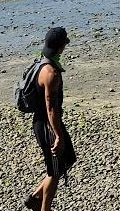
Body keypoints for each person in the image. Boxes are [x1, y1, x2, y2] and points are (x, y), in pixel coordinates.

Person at [24, 26, 76, 211]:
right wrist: (58, 135)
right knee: (54, 170)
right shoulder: (51, 73)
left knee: (68, 159)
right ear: (61, 47)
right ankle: (44, 208)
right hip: (47, 125)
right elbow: (51, 107)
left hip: (45, 122)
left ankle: (36, 197)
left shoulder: (41, 62)